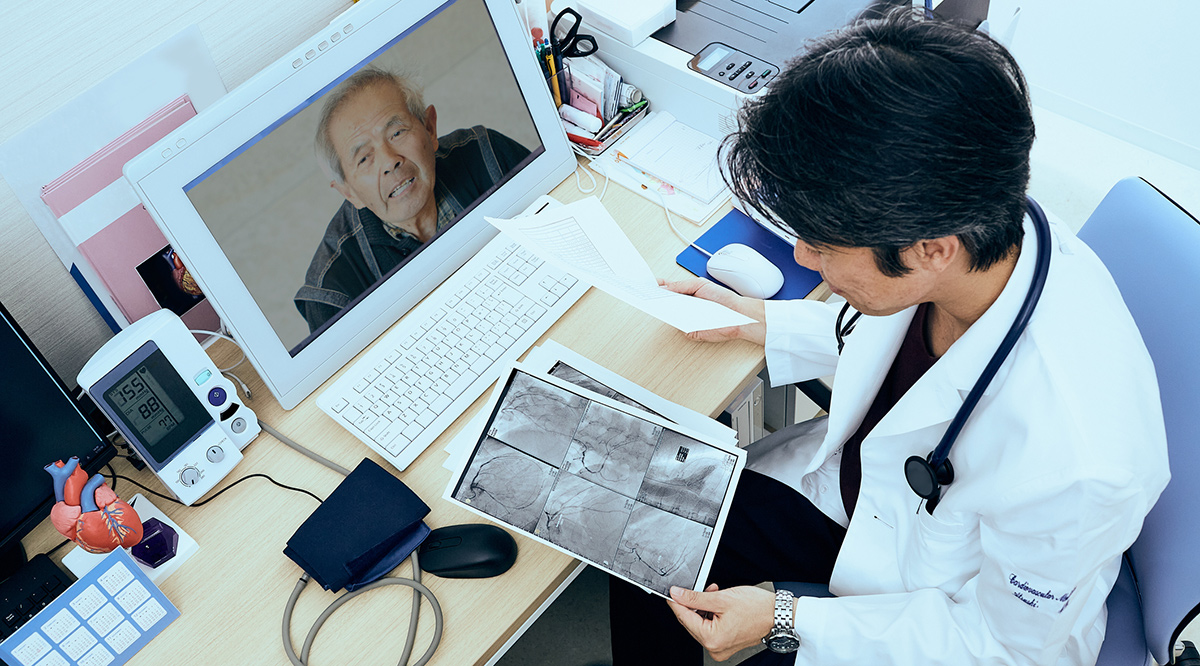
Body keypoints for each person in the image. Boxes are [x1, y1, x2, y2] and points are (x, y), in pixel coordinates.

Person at [610, 9, 1169, 666]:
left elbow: (1006, 650)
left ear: (929, 250)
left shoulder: (1077, 460)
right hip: (856, 497)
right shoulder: (978, 226)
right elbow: (896, 348)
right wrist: (760, 319)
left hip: (933, 604)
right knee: (636, 532)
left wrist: (788, 618)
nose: (803, 259)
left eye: (820, 243)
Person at [294, 67, 531, 332]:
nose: (390, 161)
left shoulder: (488, 156)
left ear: (430, 128)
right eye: (364, 158)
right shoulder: (334, 291)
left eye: (397, 133)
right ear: (348, 192)